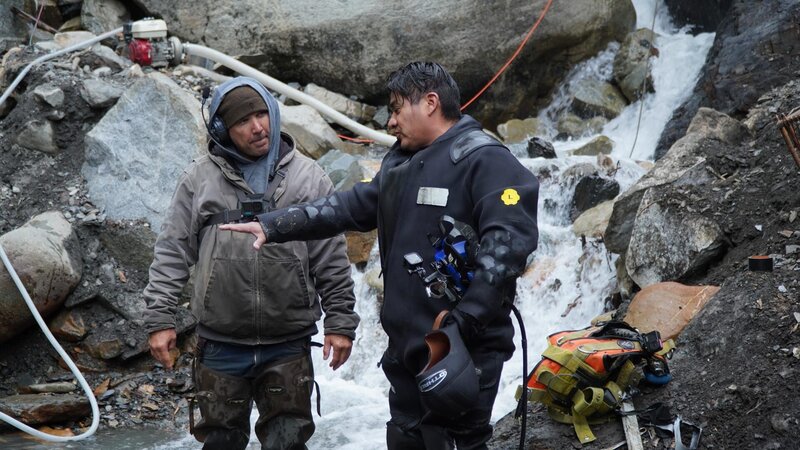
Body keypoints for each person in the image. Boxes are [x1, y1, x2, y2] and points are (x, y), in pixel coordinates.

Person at [221, 62, 539, 449]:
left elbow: (507, 250)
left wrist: (463, 323)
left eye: (396, 108)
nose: (390, 123)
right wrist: (272, 226)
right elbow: (344, 208)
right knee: (405, 438)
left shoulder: (487, 160)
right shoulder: (401, 162)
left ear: (431, 103)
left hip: (462, 350)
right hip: (406, 350)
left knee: (456, 442)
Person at [143, 76, 359, 450]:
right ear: (223, 130)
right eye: (243, 120)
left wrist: (340, 322)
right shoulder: (199, 180)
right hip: (220, 346)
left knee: (288, 443)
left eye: (262, 114)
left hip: (288, 344)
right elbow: (172, 250)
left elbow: (331, 259)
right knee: (221, 443)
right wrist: (159, 319)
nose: (258, 127)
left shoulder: (308, 179)